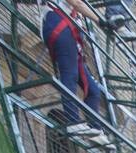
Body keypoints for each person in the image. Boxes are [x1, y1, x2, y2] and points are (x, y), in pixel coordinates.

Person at [39, 1, 107, 141]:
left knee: (93, 89)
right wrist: (100, 20)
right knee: (70, 75)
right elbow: (77, 3)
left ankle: (96, 129)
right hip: (60, 25)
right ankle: (73, 121)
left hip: (69, 31)